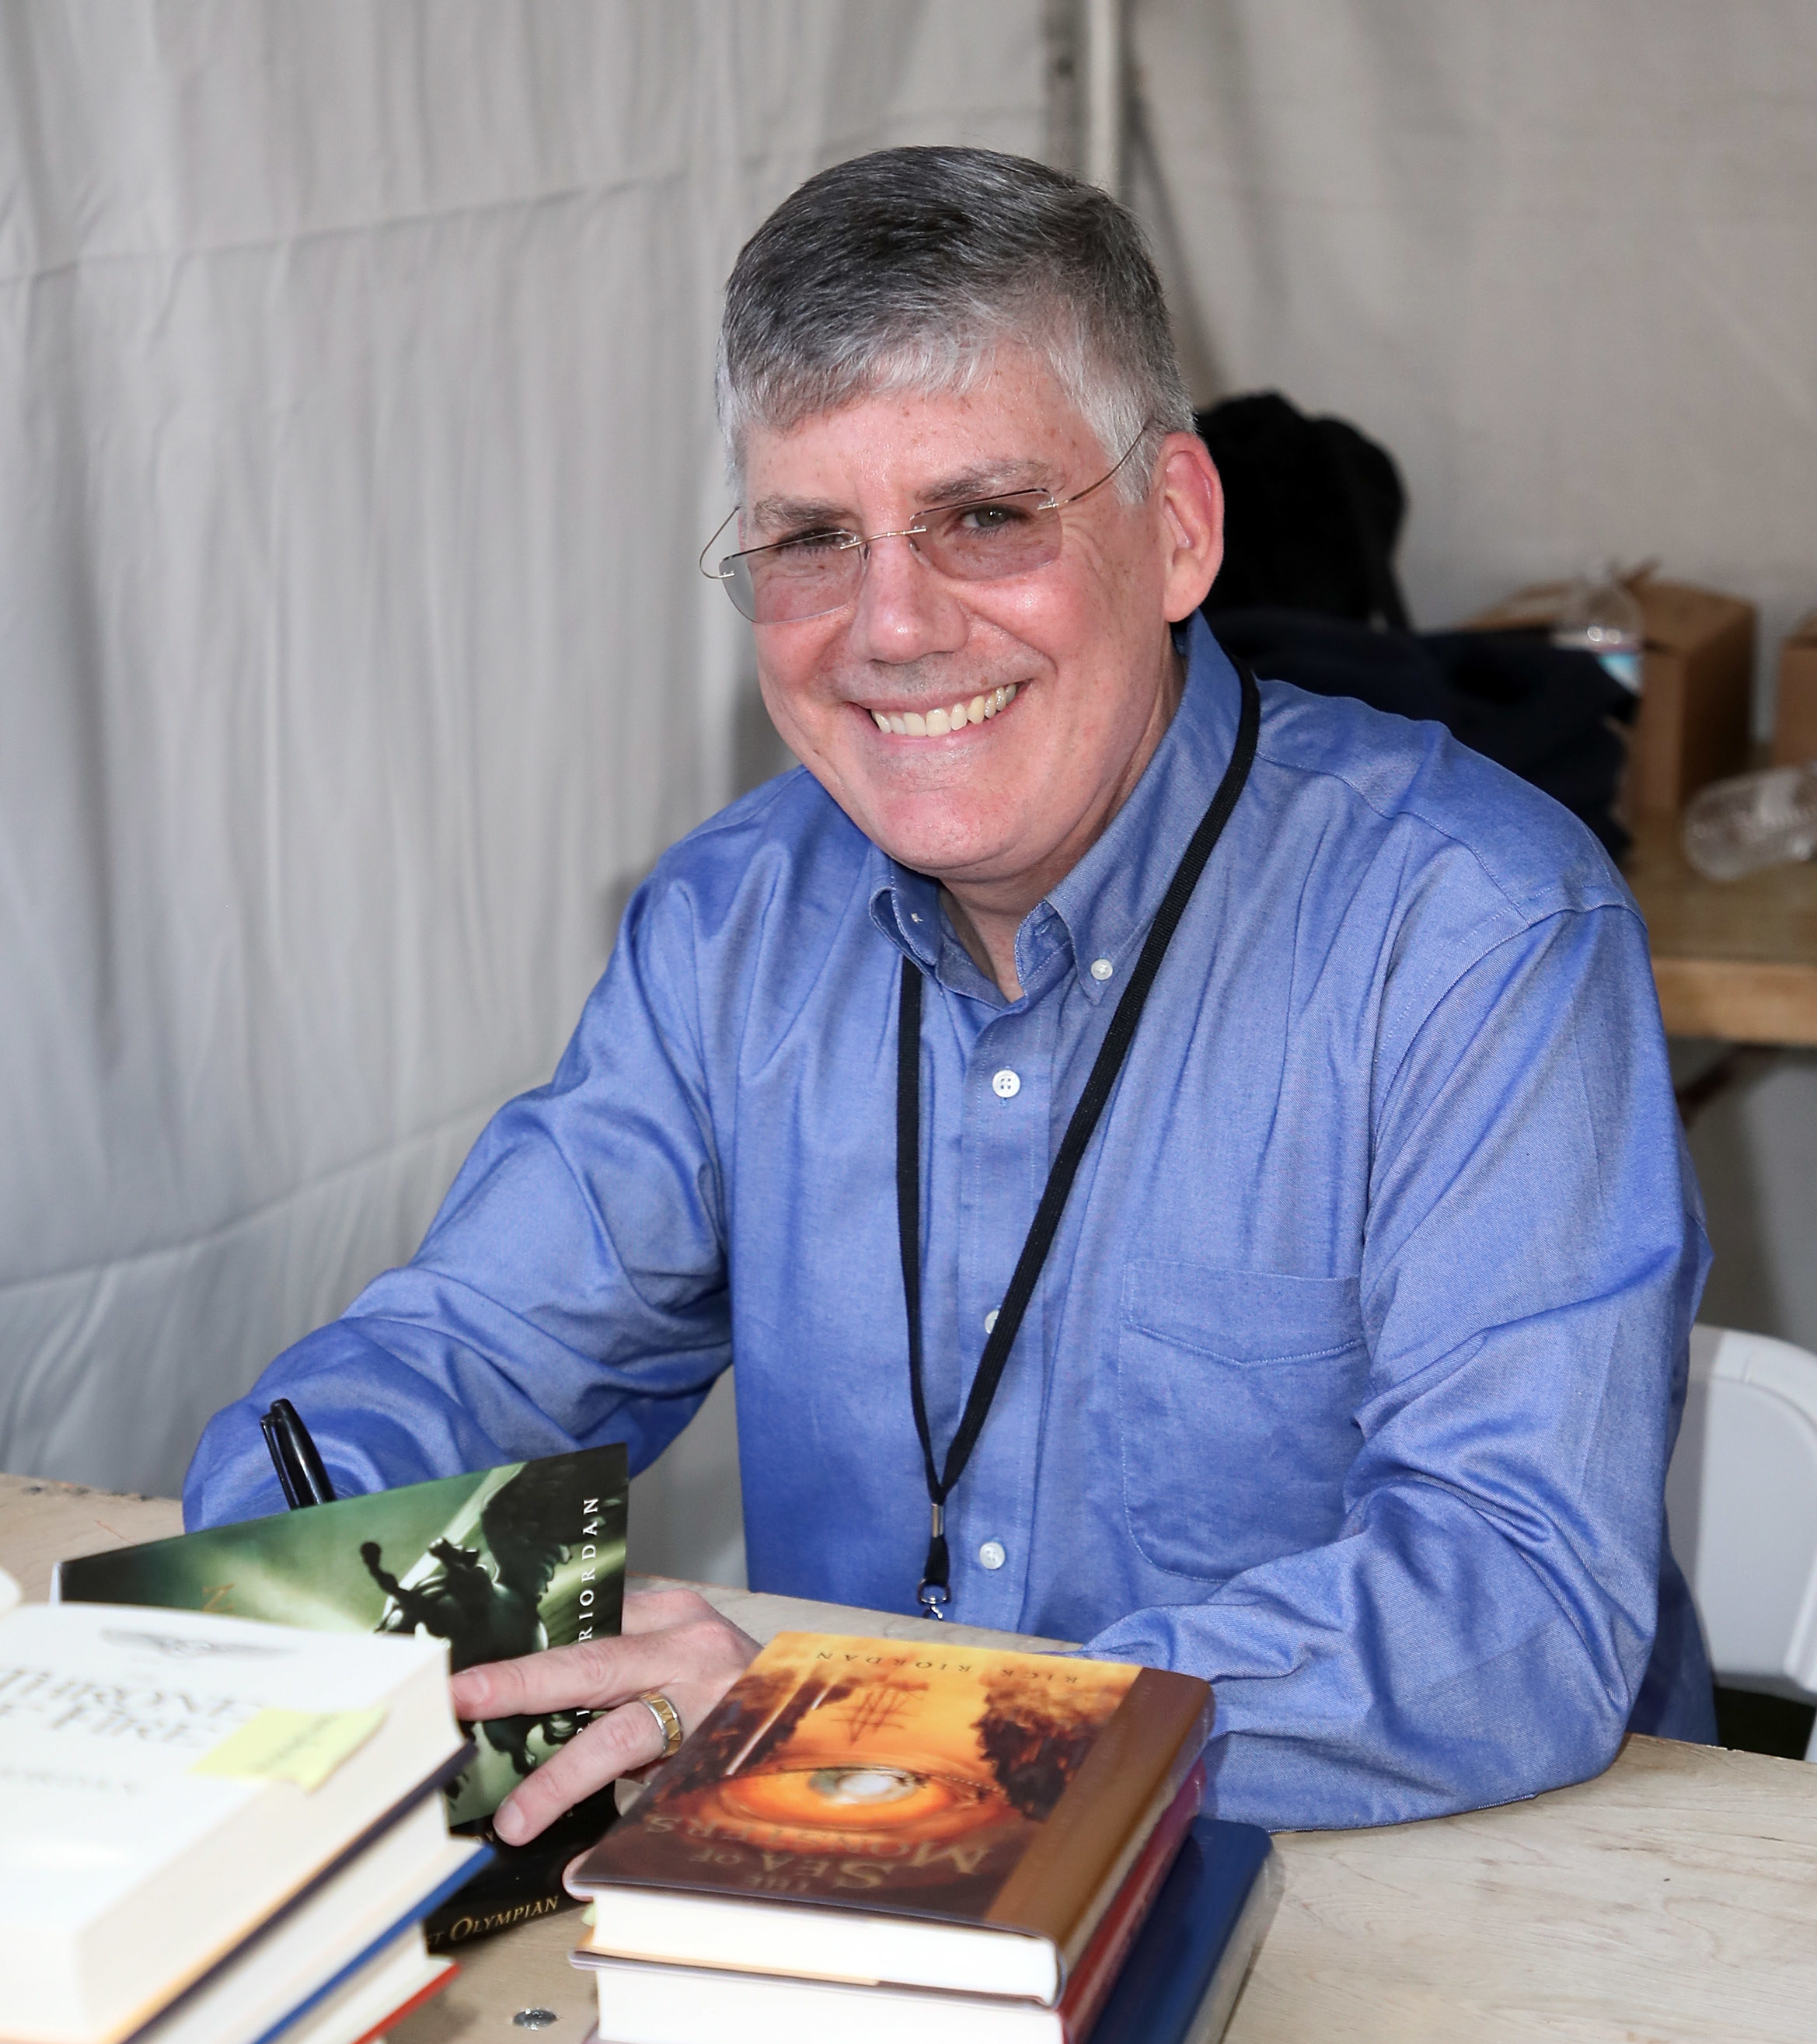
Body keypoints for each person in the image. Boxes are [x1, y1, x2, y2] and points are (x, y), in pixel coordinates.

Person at [185, 146, 1715, 1847]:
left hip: (1414, 1921)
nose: (890, 627)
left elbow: (1514, 1612)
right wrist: (280, 1573)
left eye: (984, 518)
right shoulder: (728, 926)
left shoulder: (1474, 924)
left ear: (1178, 528)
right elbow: (466, 1353)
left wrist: (838, 1729)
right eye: (809, 539)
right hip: (854, 1901)